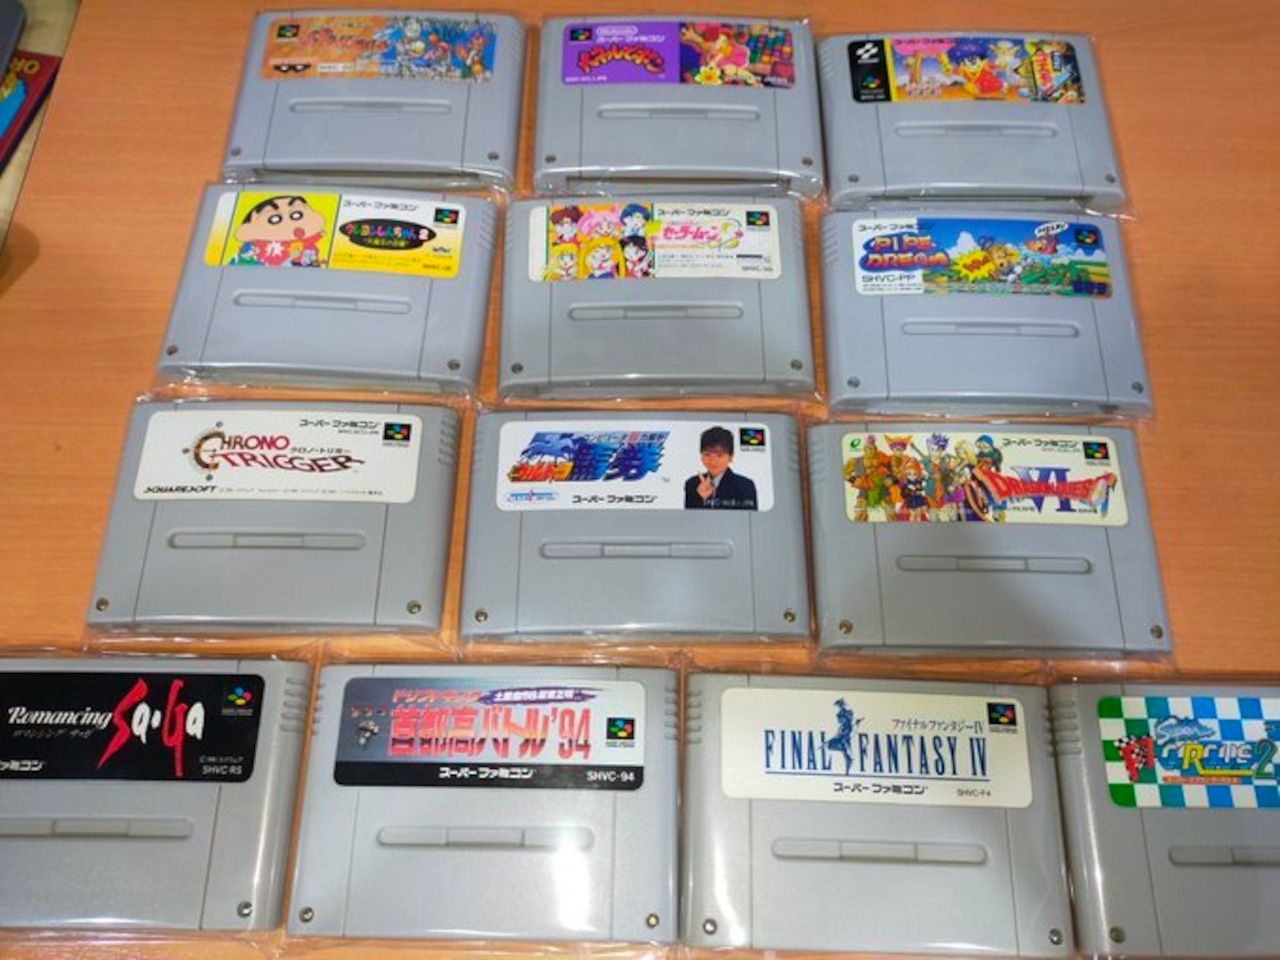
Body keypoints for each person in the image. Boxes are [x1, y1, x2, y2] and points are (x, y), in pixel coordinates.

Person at [684, 426, 757, 509]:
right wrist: (702, 499)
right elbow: (689, 516)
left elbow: (750, 516)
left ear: (731, 457)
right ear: (701, 456)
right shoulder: (692, 485)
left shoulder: (745, 486)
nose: (713, 461)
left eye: (719, 455)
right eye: (707, 454)